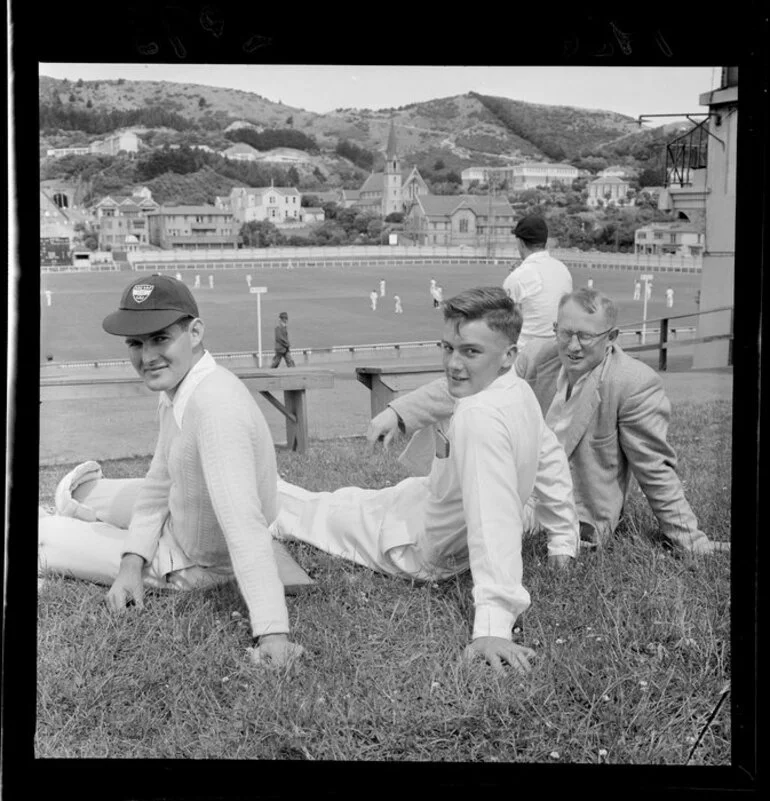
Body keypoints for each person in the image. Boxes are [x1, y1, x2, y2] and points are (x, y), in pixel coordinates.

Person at [273, 287, 579, 673]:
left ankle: (252, 492)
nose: (453, 363)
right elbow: (549, 461)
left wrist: (493, 625)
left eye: (470, 351)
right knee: (346, 500)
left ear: (508, 357)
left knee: (312, 513)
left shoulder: (480, 415)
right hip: (420, 502)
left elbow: (493, 517)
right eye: (447, 347)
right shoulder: (515, 388)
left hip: (419, 548)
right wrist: (562, 541)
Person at [39, 274, 311, 668]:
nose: (147, 356)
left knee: (42, 536)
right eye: (136, 343)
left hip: (197, 561)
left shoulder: (216, 410)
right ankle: (86, 515)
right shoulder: (183, 386)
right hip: (180, 509)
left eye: (160, 338)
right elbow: (157, 483)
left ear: (195, 332)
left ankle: (77, 524)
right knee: (85, 492)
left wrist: (273, 633)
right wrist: (131, 562)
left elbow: (245, 527)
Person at [379, 288, 727, 557]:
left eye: (586, 336)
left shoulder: (633, 384)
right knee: (410, 505)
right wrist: (399, 413)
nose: (572, 347)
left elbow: (655, 469)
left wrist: (690, 539)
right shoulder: (539, 355)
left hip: (574, 511)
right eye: (564, 333)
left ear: (612, 337)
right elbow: (470, 379)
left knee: (439, 532)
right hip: (519, 483)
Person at [502, 215, 572, 354]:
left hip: (525, 356)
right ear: (544, 242)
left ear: (520, 242)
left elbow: (506, 324)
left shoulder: (517, 277)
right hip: (557, 353)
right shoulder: (563, 270)